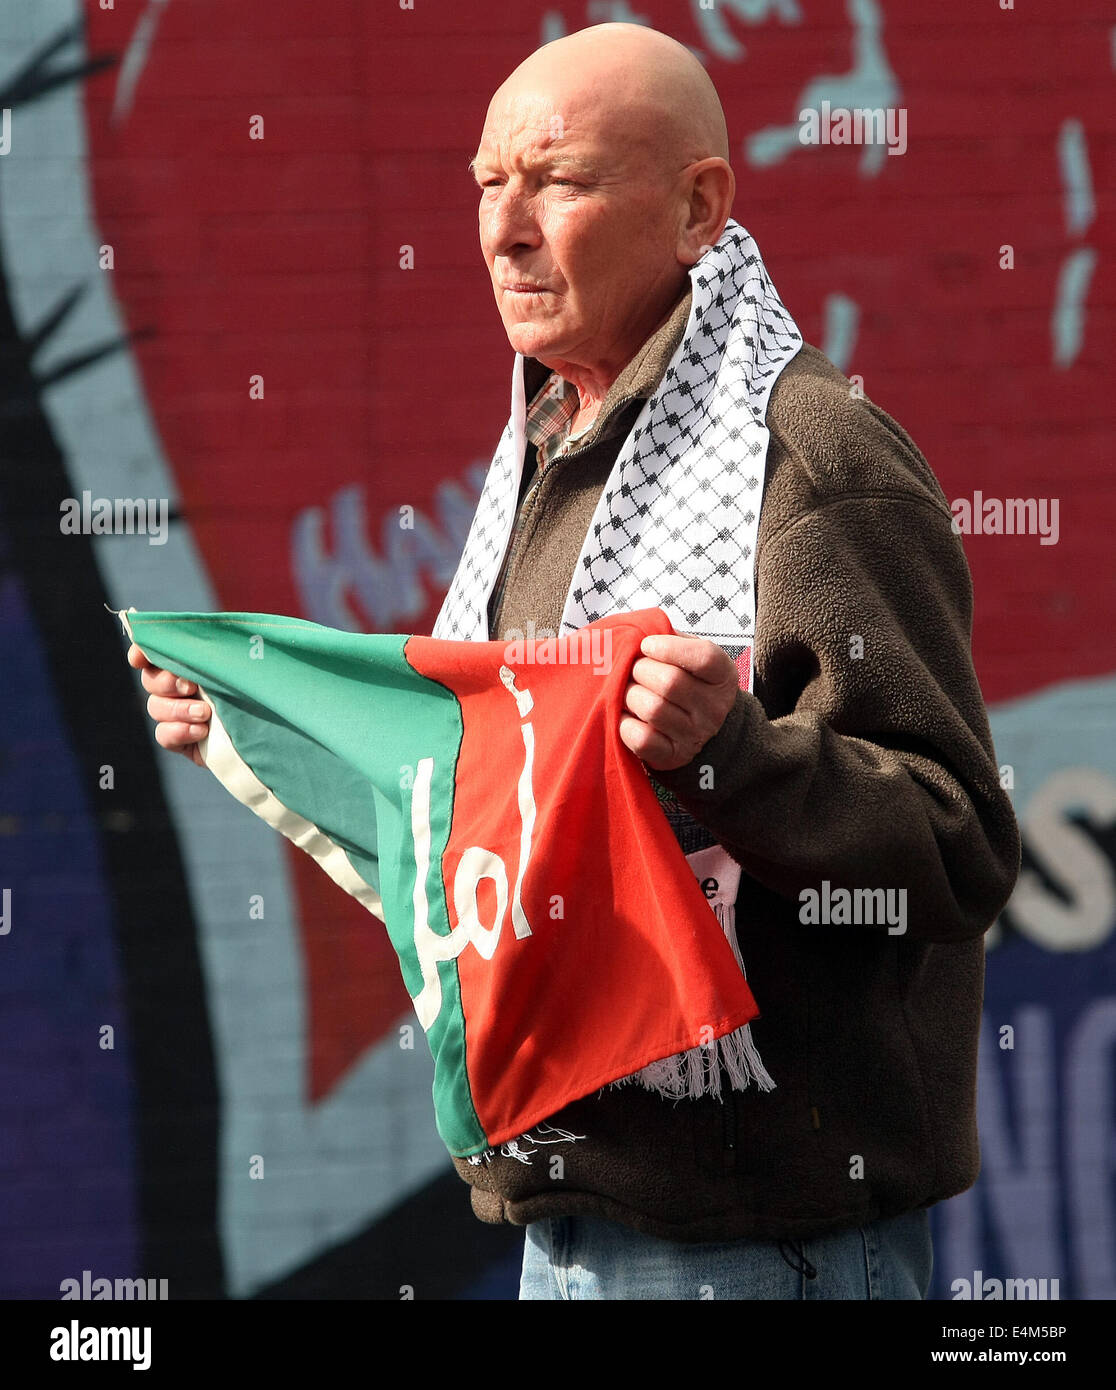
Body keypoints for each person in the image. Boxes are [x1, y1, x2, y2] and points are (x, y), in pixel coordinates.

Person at [129, 23, 1021, 1300]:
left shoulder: (815, 462)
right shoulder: (549, 450)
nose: (504, 227)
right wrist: (258, 724)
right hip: (573, 1221)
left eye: (557, 180)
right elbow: (499, 813)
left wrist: (737, 757)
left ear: (698, 205)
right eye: (488, 184)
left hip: (773, 1245)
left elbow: (961, 847)